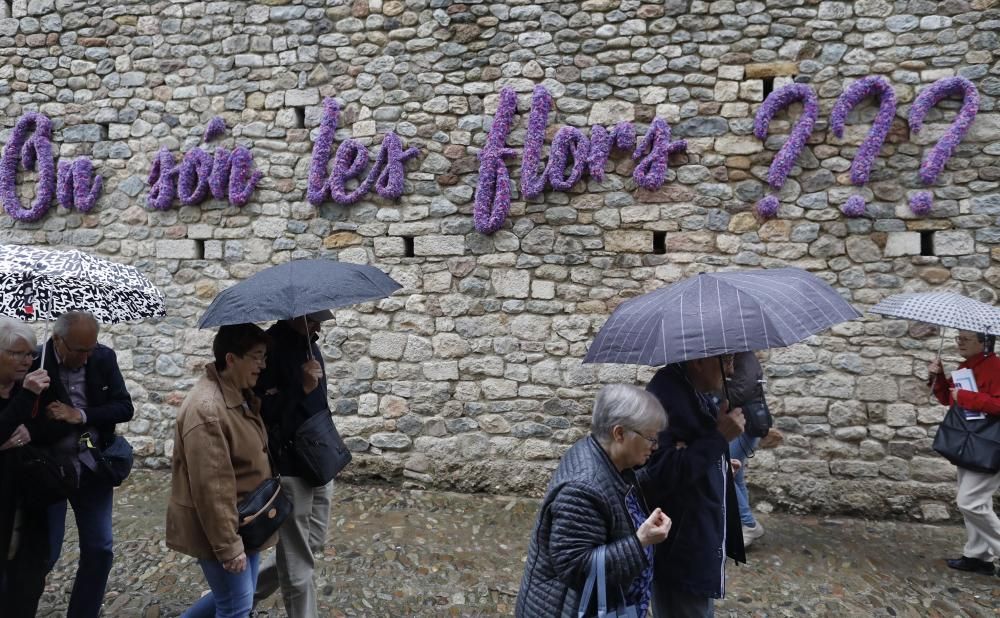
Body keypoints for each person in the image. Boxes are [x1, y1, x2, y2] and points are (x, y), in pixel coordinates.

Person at [516, 384, 672, 617]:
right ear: (619, 434)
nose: (655, 446)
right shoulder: (582, 488)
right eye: (650, 437)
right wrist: (640, 542)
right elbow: (574, 567)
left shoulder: (610, 460)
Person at [28, 311, 133, 618]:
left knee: (100, 549)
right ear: (58, 341)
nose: (87, 357)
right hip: (49, 470)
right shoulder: (36, 362)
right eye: (80, 350)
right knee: (46, 554)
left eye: (91, 348)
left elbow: (124, 407)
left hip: (92, 467)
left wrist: (81, 415)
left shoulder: (103, 358)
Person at [166, 323, 275, 617]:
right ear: (231, 359)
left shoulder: (236, 395)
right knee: (236, 607)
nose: (263, 365)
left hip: (242, 520)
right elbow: (212, 488)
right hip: (220, 527)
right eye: (257, 356)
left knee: (236, 598)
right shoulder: (208, 409)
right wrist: (229, 546)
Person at [641, 356, 746, 618]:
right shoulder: (666, 394)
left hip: (696, 540)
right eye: (727, 361)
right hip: (681, 551)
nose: (731, 370)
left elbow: (692, 456)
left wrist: (717, 468)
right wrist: (719, 437)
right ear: (700, 361)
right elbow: (660, 473)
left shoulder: (691, 390)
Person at [253, 311, 337, 618]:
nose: (317, 326)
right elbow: (264, 415)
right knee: (298, 566)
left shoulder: (310, 345)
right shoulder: (268, 349)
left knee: (310, 544)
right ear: (293, 314)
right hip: (289, 465)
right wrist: (299, 389)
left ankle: (245, 595)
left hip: (320, 460)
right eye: (313, 319)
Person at [928, 329, 1000, 576]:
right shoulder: (965, 366)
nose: (960, 343)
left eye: (966, 339)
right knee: (976, 501)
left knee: (970, 502)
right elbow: (949, 399)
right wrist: (938, 377)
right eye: (958, 338)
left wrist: (967, 396)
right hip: (972, 441)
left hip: (991, 444)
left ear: (985, 342)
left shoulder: (996, 367)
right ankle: (978, 557)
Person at [0, 317, 52, 617]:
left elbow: (57, 423)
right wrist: (27, 396)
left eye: (30, 353)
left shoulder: (37, 383)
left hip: (28, 502)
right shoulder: (27, 390)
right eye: (17, 353)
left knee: (27, 583)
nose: (27, 360)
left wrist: (31, 432)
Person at [724, 351, 769, 548]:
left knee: (725, 473)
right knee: (736, 475)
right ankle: (742, 523)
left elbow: (742, 390)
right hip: (745, 425)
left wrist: (716, 393)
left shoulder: (745, 358)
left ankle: (748, 524)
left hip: (745, 425)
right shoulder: (740, 356)